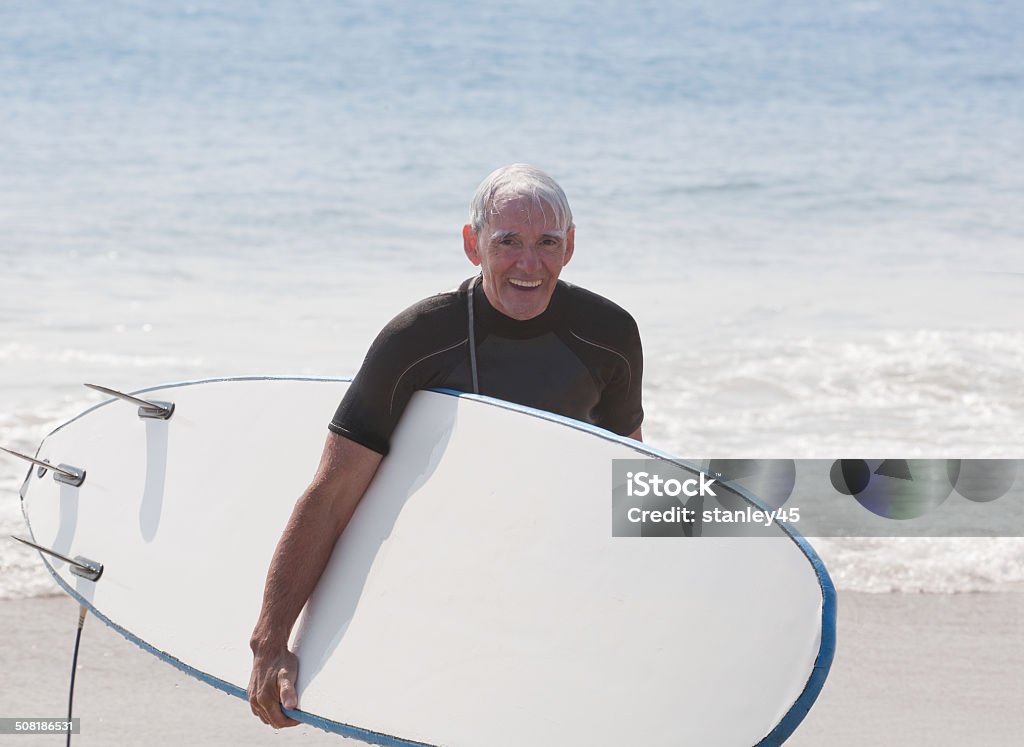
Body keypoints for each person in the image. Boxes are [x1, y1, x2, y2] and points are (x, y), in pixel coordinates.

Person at [247, 164, 644, 728]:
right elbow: (333, 495)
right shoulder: (418, 340)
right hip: (435, 581)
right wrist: (271, 642)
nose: (528, 264)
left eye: (547, 243)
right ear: (472, 244)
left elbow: (623, 467)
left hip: (549, 573)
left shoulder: (608, 334)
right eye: (507, 241)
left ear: (571, 246)